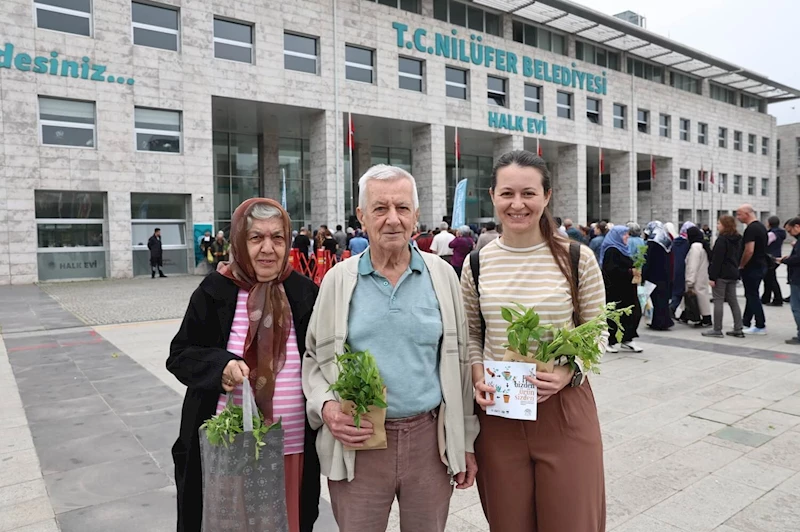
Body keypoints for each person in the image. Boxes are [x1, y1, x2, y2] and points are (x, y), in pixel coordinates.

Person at [302, 164, 478, 532]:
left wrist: (467, 440)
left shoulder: (442, 275)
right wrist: (327, 406)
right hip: (359, 442)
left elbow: (461, 364)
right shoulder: (338, 279)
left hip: (430, 442)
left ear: (416, 216)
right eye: (380, 208)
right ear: (362, 217)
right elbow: (313, 358)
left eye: (402, 208)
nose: (392, 219)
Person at [463, 150, 606, 531]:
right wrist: (478, 374)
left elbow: (598, 331)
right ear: (493, 195)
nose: (518, 204)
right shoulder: (477, 262)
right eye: (507, 193)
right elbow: (472, 333)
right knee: (508, 521)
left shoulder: (577, 258)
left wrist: (568, 372)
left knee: (573, 520)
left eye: (528, 193)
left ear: (546, 196)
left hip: (563, 407)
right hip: (500, 412)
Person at [168, 199, 321, 532]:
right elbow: (180, 355)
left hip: (292, 448)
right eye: (256, 238)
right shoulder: (214, 291)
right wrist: (220, 365)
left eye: (277, 238)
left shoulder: (305, 292)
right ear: (239, 240)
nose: (268, 248)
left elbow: (323, 357)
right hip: (226, 451)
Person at [601, 225, 643, 353]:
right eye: (624, 234)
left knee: (633, 313)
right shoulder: (612, 250)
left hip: (628, 289)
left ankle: (627, 339)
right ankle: (609, 341)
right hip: (615, 291)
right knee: (615, 316)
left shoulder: (624, 249)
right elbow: (611, 271)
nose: (627, 237)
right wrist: (630, 272)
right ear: (617, 236)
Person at [704, 215, 743, 338]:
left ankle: (717, 329)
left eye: (719, 223)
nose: (717, 225)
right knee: (733, 301)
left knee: (718, 301)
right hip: (733, 273)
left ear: (725, 225)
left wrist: (712, 277)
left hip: (721, 274)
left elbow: (717, 260)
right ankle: (738, 328)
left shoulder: (722, 240)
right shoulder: (739, 238)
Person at [737, 204, 769, 335]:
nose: (737, 217)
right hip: (761, 265)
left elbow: (749, 250)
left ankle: (760, 325)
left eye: (739, 214)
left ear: (747, 213)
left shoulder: (751, 229)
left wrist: (742, 265)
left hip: (752, 266)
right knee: (751, 294)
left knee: (752, 295)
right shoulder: (761, 227)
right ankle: (746, 321)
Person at [643, 221, 674, 330]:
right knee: (663, 300)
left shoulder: (652, 242)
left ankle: (658, 323)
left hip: (654, 276)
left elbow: (648, 261)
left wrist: (643, 274)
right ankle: (665, 321)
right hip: (665, 275)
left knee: (656, 300)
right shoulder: (666, 241)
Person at [685, 226, 712, 327]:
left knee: (698, 298)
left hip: (696, 278)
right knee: (703, 297)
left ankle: (704, 319)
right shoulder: (702, 245)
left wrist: (690, 281)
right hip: (702, 276)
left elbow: (692, 265)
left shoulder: (695, 247)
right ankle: (705, 318)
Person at [779, 217, 800, 344]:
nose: (789, 234)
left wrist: (784, 260)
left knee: (796, 307)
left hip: (797, 278)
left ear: (797, 227)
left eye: (790, 230)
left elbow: (797, 259)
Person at [670, 222, 694, 320]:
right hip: (684, 269)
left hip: (674, 269)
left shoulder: (675, 242)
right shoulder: (688, 244)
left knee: (677, 291)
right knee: (683, 292)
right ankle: (671, 309)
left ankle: (680, 312)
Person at [762, 216, 786, 306]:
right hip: (776, 257)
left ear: (769, 223)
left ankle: (777, 299)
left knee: (770, 279)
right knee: (769, 278)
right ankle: (766, 297)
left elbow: (764, 243)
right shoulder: (780, 233)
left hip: (770, 258)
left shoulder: (772, 234)